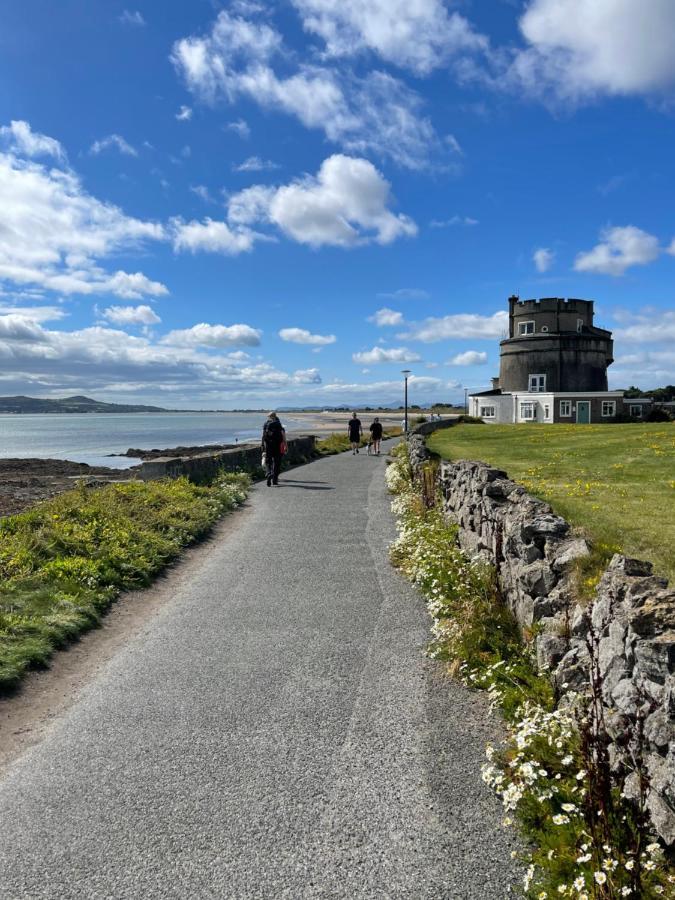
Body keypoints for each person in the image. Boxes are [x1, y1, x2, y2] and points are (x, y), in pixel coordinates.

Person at [261, 411, 285, 486]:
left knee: (268, 461)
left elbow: (263, 435)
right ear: (275, 416)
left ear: (268, 417)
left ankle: (269, 473)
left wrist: (262, 444)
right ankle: (275, 480)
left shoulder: (266, 424)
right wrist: (285, 445)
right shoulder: (278, 424)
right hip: (278, 445)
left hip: (268, 445)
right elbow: (283, 435)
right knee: (277, 462)